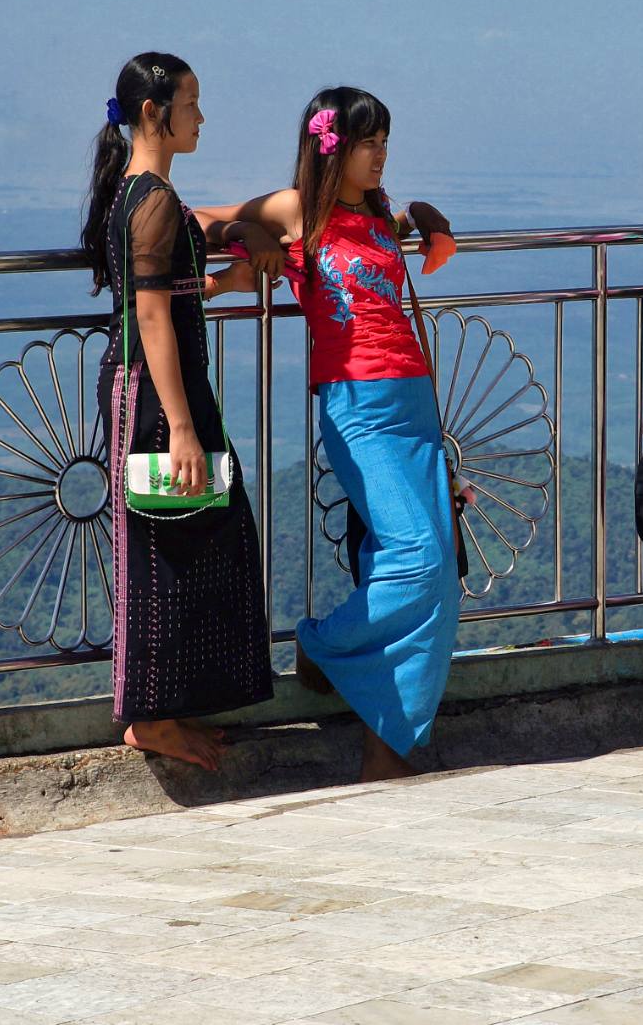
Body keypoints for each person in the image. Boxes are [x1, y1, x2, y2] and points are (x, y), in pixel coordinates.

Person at [198, 87, 459, 781]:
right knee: (419, 559)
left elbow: (386, 249)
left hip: (414, 400)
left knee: (440, 579)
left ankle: (387, 752)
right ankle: (319, 643)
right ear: (331, 146)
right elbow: (203, 218)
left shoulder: (375, 208)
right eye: (369, 143)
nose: (380, 155)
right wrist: (248, 247)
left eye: (385, 144)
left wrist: (418, 217)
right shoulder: (297, 208)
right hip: (357, 404)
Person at [82, 52, 274, 771]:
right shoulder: (153, 197)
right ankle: (148, 717)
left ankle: (165, 705)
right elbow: (152, 316)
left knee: (195, 534)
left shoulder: (144, 192)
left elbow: (164, 286)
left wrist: (227, 267)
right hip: (157, 394)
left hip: (157, 385)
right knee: (161, 546)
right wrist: (184, 426)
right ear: (155, 114)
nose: (202, 117)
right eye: (192, 104)